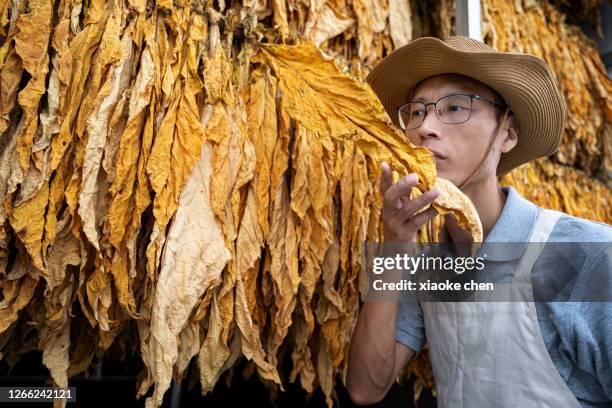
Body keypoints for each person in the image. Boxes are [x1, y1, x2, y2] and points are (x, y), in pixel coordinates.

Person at [346, 36, 612, 407]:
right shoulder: (427, 269)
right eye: (417, 112)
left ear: (507, 133)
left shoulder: (588, 254)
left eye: (456, 107)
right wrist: (393, 247)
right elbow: (365, 388)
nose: (426, 128)